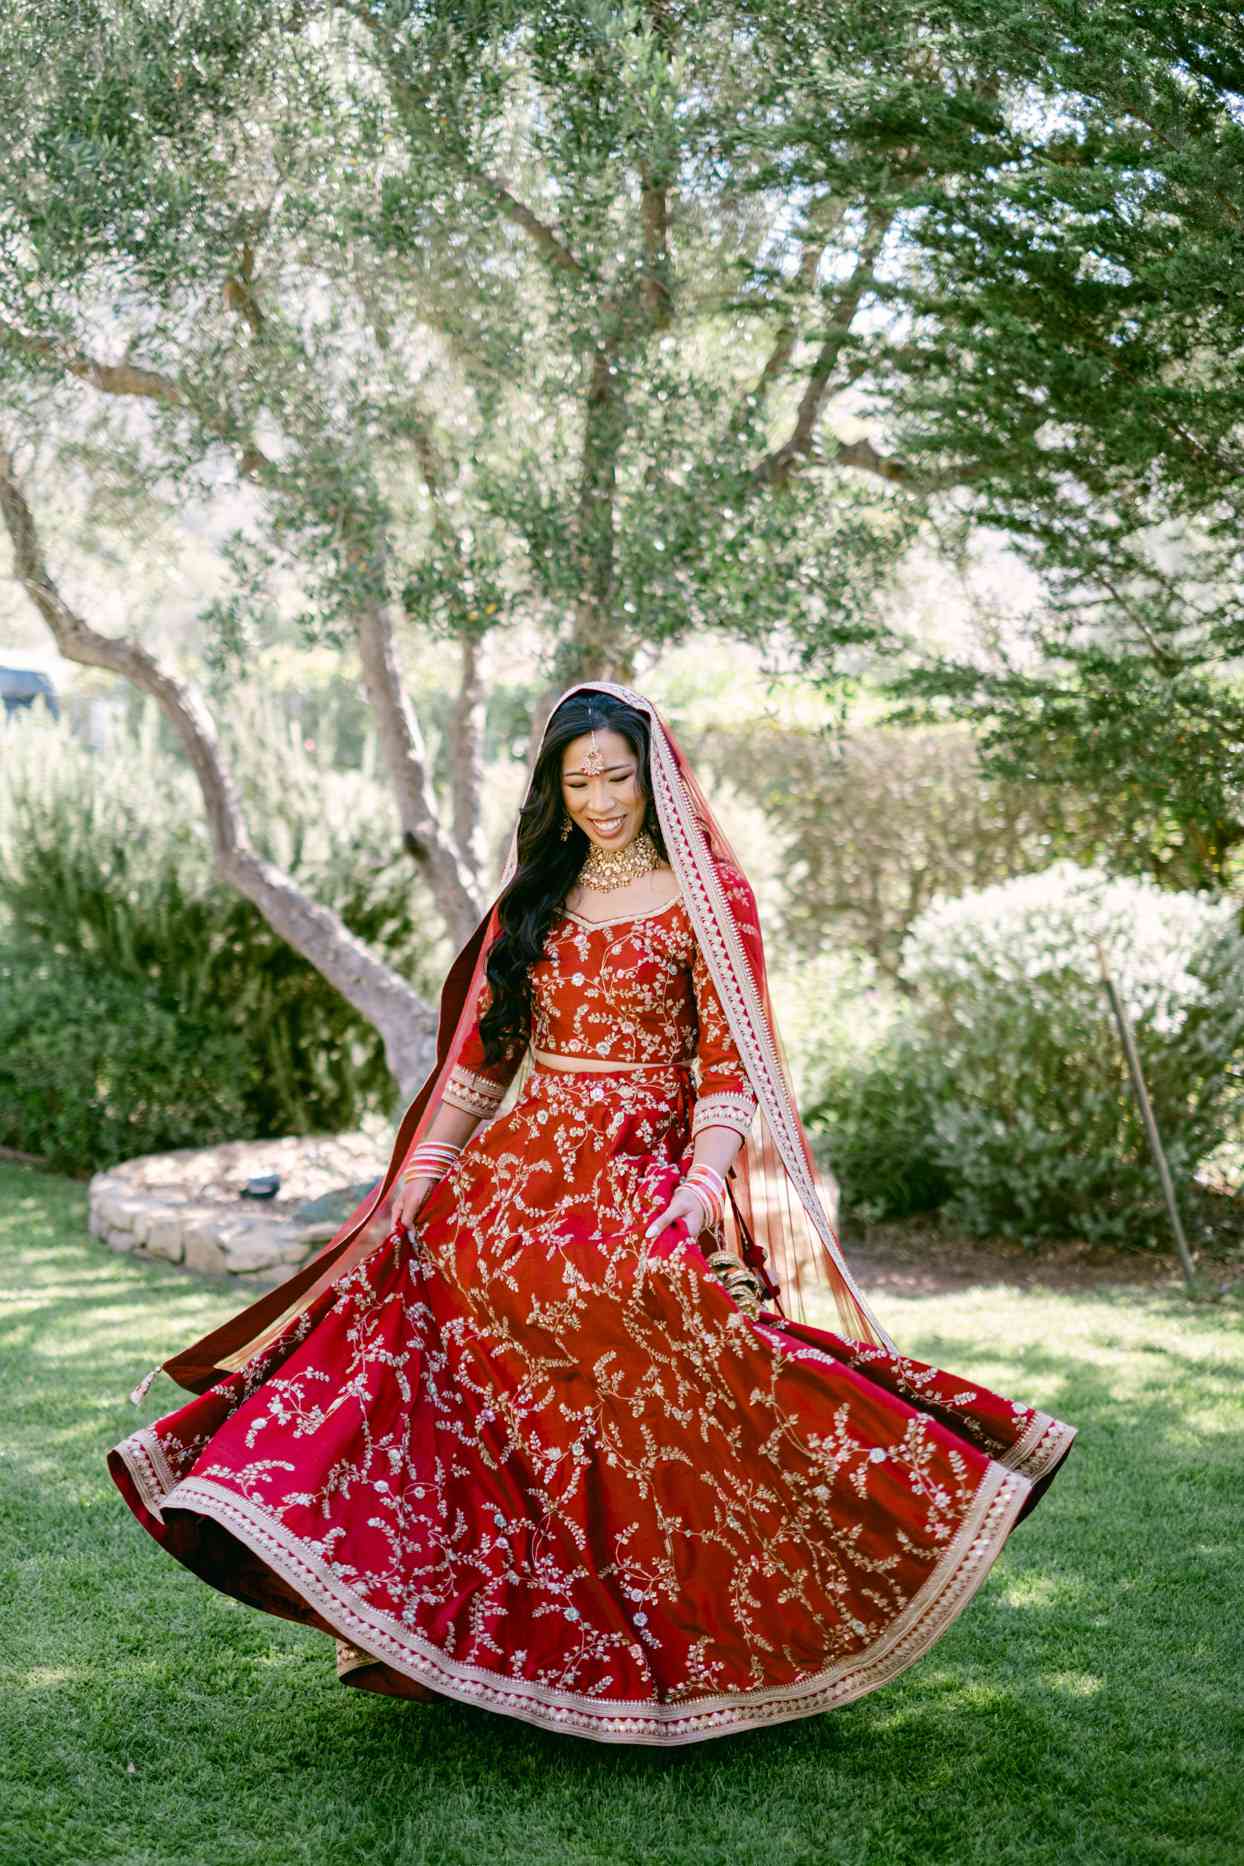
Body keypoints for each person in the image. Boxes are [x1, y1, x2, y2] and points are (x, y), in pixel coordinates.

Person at [108, 680, 1076, 1746]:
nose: (601, 799)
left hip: (647, 1159)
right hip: (525, 1163)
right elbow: (480, 1062)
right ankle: (458, 1606)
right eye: (579, 782)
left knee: (636, 1297)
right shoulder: (538, 894)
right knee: (429, 1278)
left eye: (616, 776)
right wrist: (413, 1189)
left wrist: (699, 1188)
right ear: (553, 791)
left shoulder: (707, 898)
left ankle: (794, 1548)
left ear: (653, 775)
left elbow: (726, 1073)